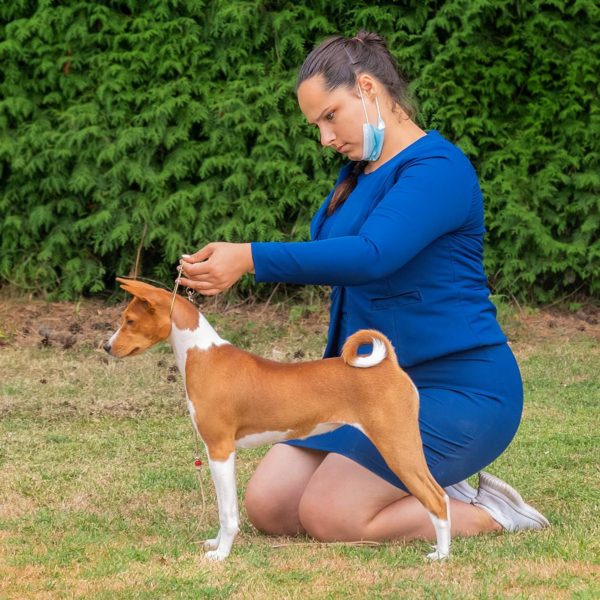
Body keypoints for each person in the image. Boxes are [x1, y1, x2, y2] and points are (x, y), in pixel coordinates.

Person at [178, 31, 549, 544]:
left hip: (457, 388)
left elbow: (373, 255)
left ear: (368, 87)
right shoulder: (356, 173)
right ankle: (424, 484)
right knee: (270, 505)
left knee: (331, 515)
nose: (325, 137)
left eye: (330, 116)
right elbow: (339, 258)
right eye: (316, 125)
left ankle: (488, 510)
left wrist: (251, 257)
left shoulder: (438, 169)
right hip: (359, 388)